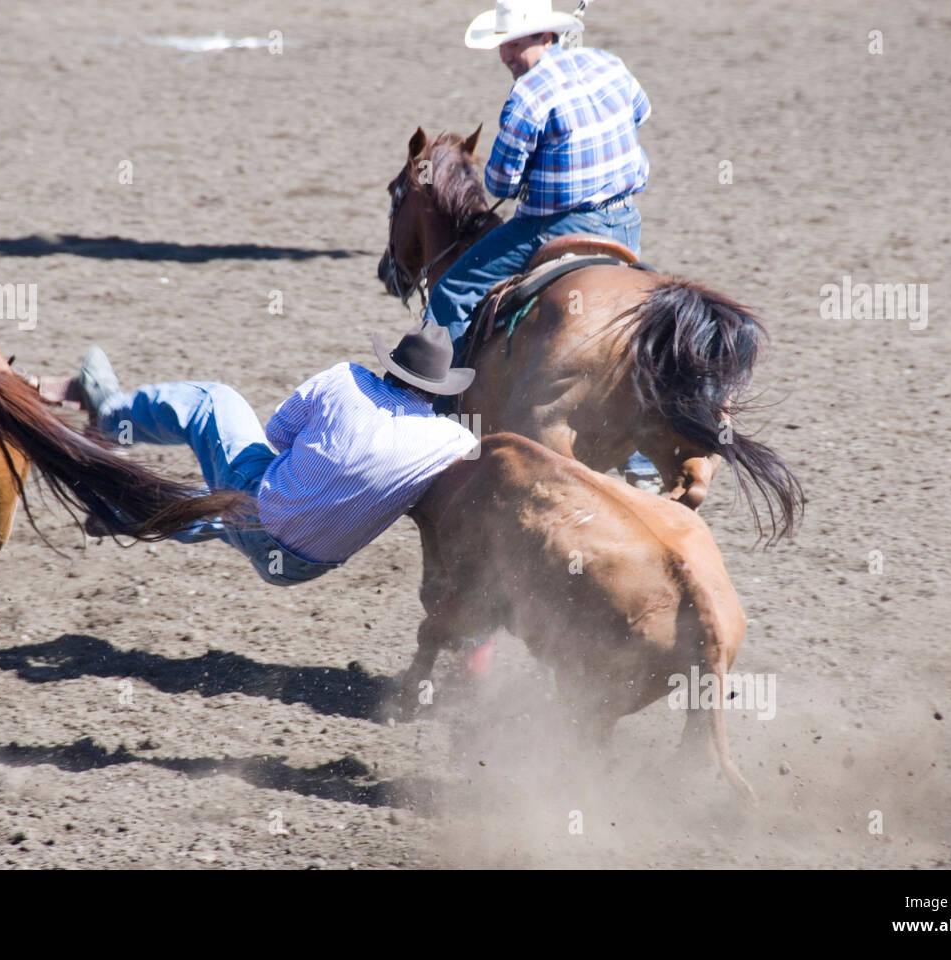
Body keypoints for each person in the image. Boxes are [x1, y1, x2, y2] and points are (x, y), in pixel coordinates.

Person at [431, 0, 658, 486]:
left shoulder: (527, 97)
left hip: (553, 226)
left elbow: (500, 182)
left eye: (515, 43)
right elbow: (642, 112)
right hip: (623, 222)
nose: (507, 55)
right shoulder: (608, 63)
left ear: (546, 38)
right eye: (504, 45)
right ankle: (639, 456)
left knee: (451, 291)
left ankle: (442, 417)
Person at [71, 323, 480, 586]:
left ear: (391, 364)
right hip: (306, 568)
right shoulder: (454, 442)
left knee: (213, 401)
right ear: (439, 390)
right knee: (240, 507)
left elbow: (278, 434)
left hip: (262, 516)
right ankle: (128, 514)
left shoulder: (347, 378)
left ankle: (110, 415)